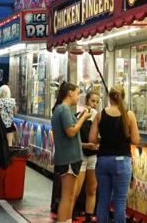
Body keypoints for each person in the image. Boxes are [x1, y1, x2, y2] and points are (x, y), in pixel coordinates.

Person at [90, 87, 137, 223]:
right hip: (122, 162)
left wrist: (105, 139)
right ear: (123, 97)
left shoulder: (100, 114)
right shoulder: (129, 115)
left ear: (109, 98)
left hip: (103, 160)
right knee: (120, 202)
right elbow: (135, 139)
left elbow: (92, 139)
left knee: (103, 199)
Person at [52, 82, 93, 223]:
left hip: (68, 157)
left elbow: (71, 126)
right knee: (67, 196)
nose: (78, 97)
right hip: (68, 158)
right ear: (70, 92)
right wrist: (83, 118)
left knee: (69, 196)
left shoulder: (61, 109)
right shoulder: (64, 110)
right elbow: (71, 131)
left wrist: (80, 115)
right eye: (77, 93)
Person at [73, 89, 101, 222]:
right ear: (86, 101)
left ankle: (89, 216)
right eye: (92, 101)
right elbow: (73, 140)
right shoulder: (79, 117)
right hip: (82, 156)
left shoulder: (99, 118)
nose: (94, 104)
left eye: (97, 102)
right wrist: (86, 145)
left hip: (94, 156)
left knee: (92, 188)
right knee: (76, 189)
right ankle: (70, 213)